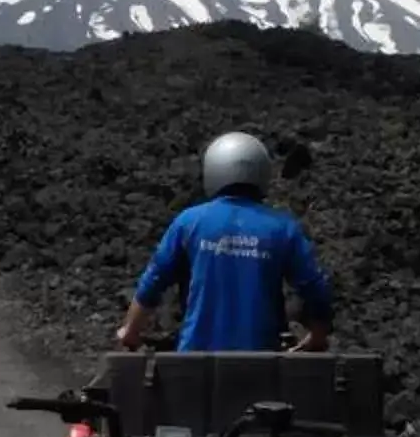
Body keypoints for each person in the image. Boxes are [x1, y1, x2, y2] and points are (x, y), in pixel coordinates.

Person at [117, 131, 334, 353]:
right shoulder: (283, 228)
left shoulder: (189, 222)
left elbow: (154, 280)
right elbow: (314, 287)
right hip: (263, 362)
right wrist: (317, 336)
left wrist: (131, 331)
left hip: (194, 357)